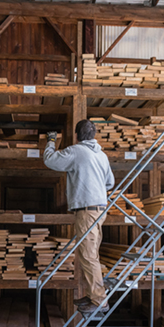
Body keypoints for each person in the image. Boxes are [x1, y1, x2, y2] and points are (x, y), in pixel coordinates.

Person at [43, 120, 115, 315]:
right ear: (93, 135)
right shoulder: (101, 155)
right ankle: (94, 295)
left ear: (76, 135)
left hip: (87, 210)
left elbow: (50, 160)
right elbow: (110, 183)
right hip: (100, 209)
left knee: (88, 255)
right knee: (90, 253)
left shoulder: (76, 151)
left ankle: (100, 301)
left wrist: (51, 141)